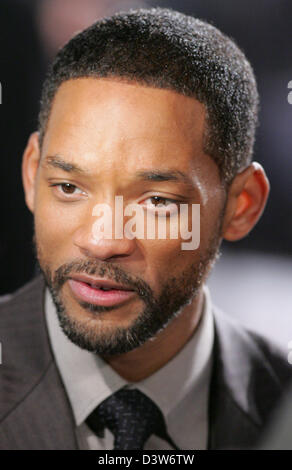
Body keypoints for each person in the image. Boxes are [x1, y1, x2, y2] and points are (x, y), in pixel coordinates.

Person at [0, 8, 290, 450]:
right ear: (31, 174)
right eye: (68, 187)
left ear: (241, 206)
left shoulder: (280, 408)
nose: (101, 241)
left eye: (157, 202)